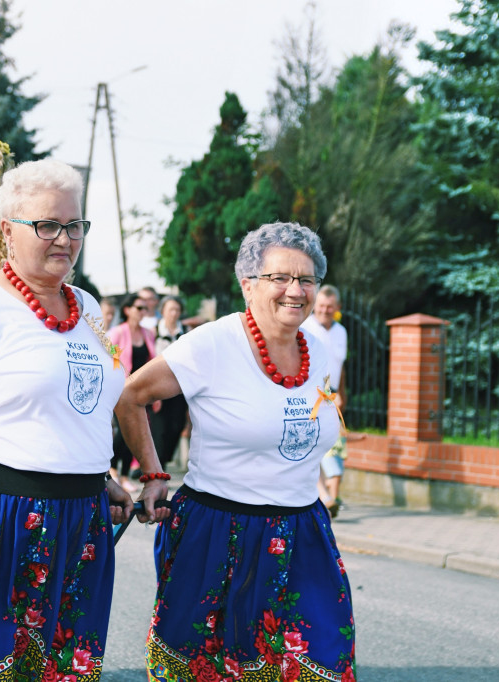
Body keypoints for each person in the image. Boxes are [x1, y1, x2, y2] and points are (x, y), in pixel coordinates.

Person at [0, 160, 165, 682]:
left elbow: (81, 404)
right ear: (7, 231)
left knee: (63, 671)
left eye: (74, 225)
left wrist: (99, 477)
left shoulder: (86, 308)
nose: (64, 239)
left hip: (78, 523)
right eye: (47, 225)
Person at [116, 222, 354, 681]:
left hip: (302, 532)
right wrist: (153, 472)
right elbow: (131, 396)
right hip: (218, 532)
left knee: (318, 661)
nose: (295, 290)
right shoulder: (213, 344)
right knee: (208, 668)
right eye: (279, 278)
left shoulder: (318, 348)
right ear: (248, 284)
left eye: (306, 279)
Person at [302, 284, 349, 518]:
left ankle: (324, 496)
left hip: (331, 399)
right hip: (309, 394)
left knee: (327, 446)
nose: (324, 310)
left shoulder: (341, 331)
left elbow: (340, 366)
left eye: (329, 307)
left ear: (337, 308)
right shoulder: (305, 328)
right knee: (312, 445)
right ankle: (324, 495)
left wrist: (341, 393)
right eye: (321, 306)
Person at [107, 293, 157, 487]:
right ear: (127, 310)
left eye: (145, 308)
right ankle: (112, 470)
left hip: (143, 391)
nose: (143, 311)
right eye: (139, 308)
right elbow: (112, 357)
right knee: (121, 432)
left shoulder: (148, 333)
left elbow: (152, 362)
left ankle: (126, 475)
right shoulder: (117, 332)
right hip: (122, 389)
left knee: (137, 432)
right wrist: (120, 379)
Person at [150, 296, 188, 468]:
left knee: (177, 425)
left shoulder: (186, 331)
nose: (173, 313)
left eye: (177, 310)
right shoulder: (153, 331)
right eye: (170, 309)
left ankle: (163, 461)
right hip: (157, 386)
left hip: (180, 386)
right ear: (162, 311)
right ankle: (157, 468)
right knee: (160, 429)